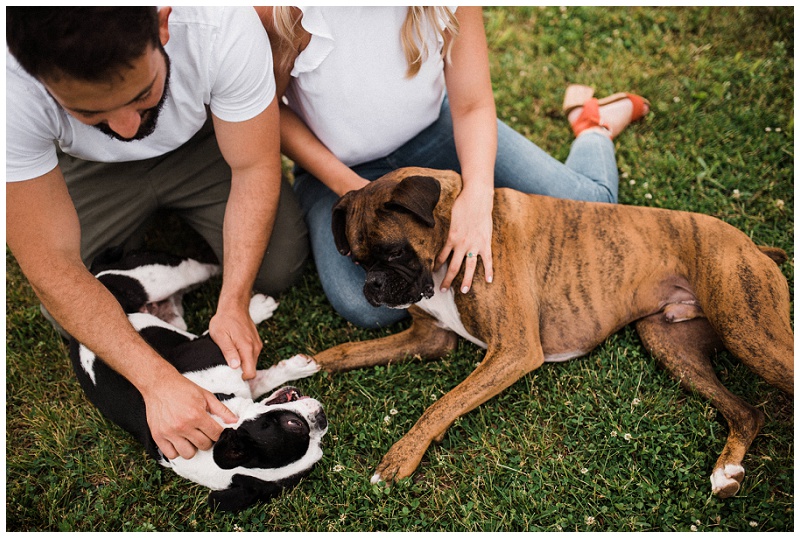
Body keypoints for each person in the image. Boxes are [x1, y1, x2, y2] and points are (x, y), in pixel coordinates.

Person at [6, 7, 309, 460]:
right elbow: (51, 264)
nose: (127, 128)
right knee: (69, 309)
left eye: (142, 94)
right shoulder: (11, 86)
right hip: (88, 169)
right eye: (90, 111)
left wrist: (233, 301)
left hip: (203, 143)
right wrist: (157, 381)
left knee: (277, 263)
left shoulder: (218, 21)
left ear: (162, 23)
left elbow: (254, 167)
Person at [256, 6, 649, 329]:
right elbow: (267, 109)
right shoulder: (280, 12)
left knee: (590, 205)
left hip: (434, 133)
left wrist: (477, 195)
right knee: (363, 307)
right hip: (335, 168)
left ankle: (592, 125)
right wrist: (357, 192)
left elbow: (472, 105)